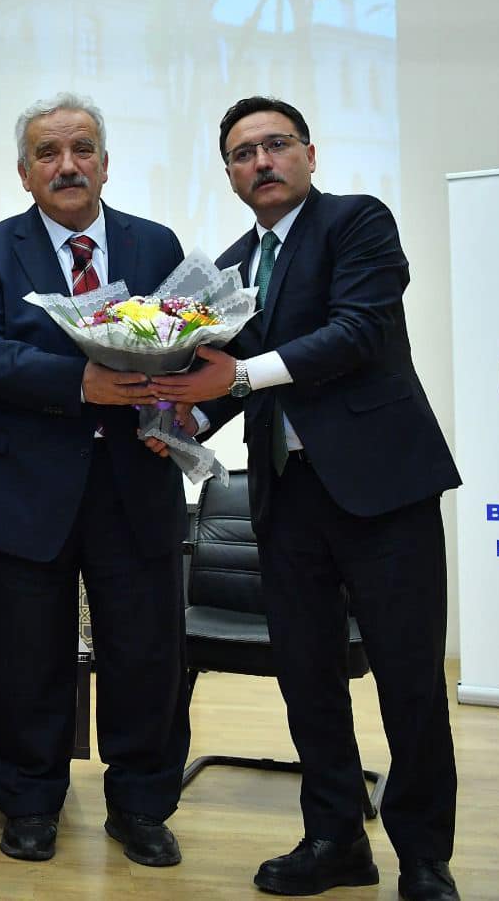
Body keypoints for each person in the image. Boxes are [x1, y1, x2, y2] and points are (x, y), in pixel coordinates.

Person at [152, 97, 462, 901]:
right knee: (309, 679)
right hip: (286, 499)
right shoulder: (227, 270)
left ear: (310, 154)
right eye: (243, 153)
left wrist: (238, 377)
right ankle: (333, 841)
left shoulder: (358, 224)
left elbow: (357, 333)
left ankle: (425, 858)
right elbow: (231, 381)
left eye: (276, 145)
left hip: (382, 491)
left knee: (410, 680)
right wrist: (183, 419)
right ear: (228, 175)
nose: (262, 161)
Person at [0, 93, 191, 865]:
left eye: (82, 149)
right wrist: (77, 382)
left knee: (145, 655)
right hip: (25, 489)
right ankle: (27, 800)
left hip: (137, 480)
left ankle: (143, 805)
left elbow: (189, 345)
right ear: (25, 174)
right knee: (23, 660)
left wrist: (184, 412)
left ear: (106, 163)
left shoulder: (157, 245)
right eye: (48, 154)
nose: (67, 165)